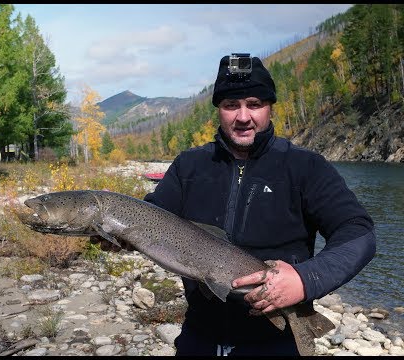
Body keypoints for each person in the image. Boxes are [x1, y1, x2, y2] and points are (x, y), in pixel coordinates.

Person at [93, 53, 377, 356]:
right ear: (219, 110)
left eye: (254, 104)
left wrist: (306, 279)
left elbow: (358, 233)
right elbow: (150, 217)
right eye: (231, 105)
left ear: (269, 107)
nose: (243, 116)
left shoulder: (305, 167)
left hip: (273, 344)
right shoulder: (189, 166)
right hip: (197, 339)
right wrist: (118, 236)